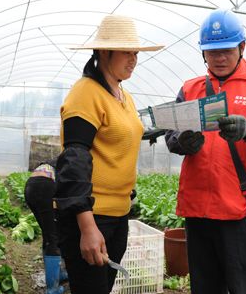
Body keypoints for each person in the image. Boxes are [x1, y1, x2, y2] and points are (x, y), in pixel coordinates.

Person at [165, 9, 246, 294]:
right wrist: (182, 141)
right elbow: (170, 136)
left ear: (242, 47)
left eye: (226, 51)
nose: (219, 58)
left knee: (242, 287)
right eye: (211, 52)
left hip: (240, 211)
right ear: (203, 54)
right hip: (197, 210)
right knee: (204, 286)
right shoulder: (190, 89)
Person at [55, 15, 163, 294]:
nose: (133, 59)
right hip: (92, 216)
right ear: (104, 52)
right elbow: (74, 159)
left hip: (118, 216)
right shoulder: (85, 92)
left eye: (136, 53)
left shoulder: (124, 96)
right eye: (126, 52)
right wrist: (88, 226)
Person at [24, 160, 66, 294]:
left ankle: (57, 274)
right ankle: (52, 288)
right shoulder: (63, 167)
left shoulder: (48, 166)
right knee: (53, 236)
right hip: (44, 187)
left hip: (29, 187)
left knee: (48, 232)